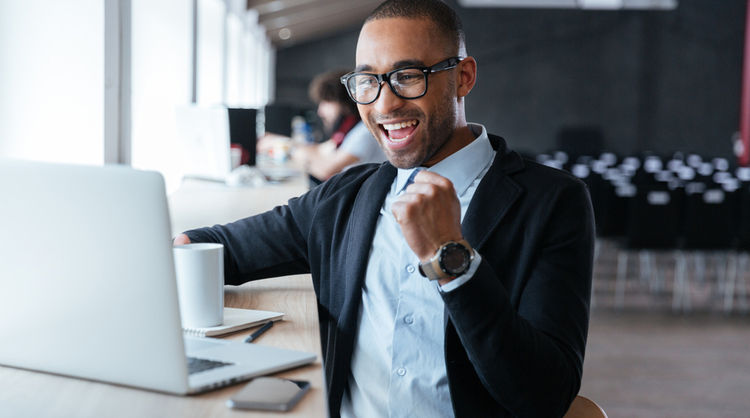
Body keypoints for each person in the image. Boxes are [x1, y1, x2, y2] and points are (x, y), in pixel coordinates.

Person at [174, 0, 595, 416]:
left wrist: (451, 257)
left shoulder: (552, 202)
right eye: (367, 81)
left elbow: (546, 395)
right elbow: (218, 248)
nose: (384, 104)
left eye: (408, 76)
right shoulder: (345, 199)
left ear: (463, 77)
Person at [262, 70, 387, 184]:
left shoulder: (364, 132)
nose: (320, 112)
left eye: (327, 103)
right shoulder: (347, 130)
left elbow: (327, 169)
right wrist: (279, 141)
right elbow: (320, 150)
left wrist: (288, 148)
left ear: (345, 104)